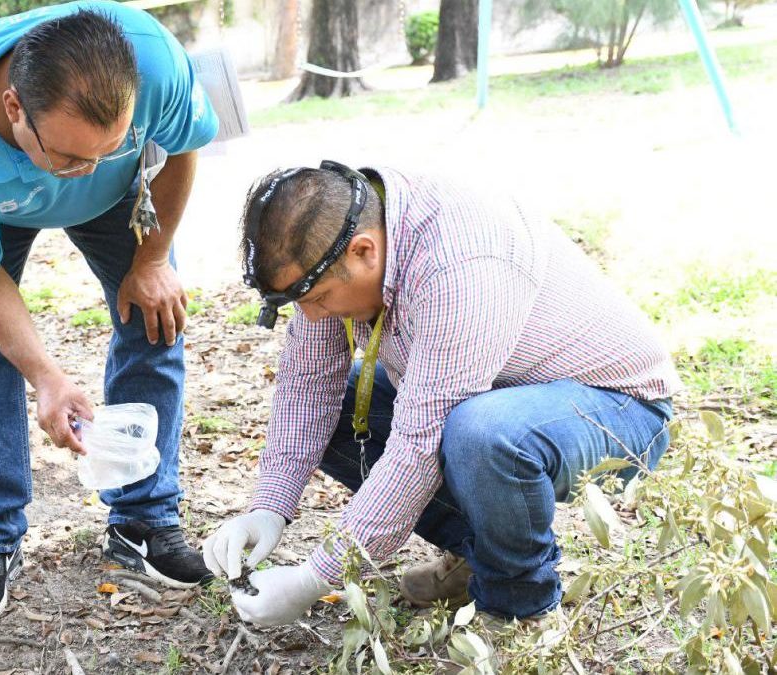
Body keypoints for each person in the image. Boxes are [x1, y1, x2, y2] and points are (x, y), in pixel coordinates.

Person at [202, 161, 680, 631]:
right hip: (493, 391)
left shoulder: (461, 262)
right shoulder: (342, 238)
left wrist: (314, 579)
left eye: (318, 298)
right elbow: (307, 387)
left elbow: (418, 446)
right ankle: (481, 558)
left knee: (481, 433)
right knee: (344, 407)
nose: (315, 316)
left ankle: (519, 607)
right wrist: (268, 508)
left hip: (616, 408)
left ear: (364, 252)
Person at [0, 2, 219, 625]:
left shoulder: (152, 61)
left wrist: (153, 257)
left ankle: (143, 517)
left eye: (110, 147)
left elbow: (181, 149)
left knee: (156, 317)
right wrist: (47, 378)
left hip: (122, 201)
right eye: (73, 156)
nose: (86, 173)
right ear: (15, 108)